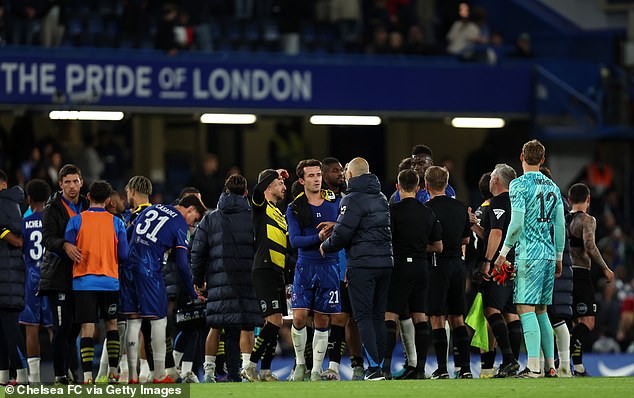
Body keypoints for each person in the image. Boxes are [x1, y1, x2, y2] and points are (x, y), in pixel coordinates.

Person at [494, 139, 566, 378]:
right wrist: (558, 257)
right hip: (547, 255)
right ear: (542, 159)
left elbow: (516, 224)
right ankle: (550, 366)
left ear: (522, 156)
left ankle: (533, 367)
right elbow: (560, 224)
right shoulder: (553, 187)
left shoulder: (518, 185)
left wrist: (503, 253)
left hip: (530, 255)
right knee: (542, 311)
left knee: (525, 308)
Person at [320, 157, 393, 381]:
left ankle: (373, 368)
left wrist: (326, 245)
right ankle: (380, 365)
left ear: (350, 175)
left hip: (362, 265)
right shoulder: (381, 197)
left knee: (363, 317)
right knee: (378, 316)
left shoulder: (351, 200)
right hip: (385, 263)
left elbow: (343, 234)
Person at [122, 195, 206, 383]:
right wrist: (193, 294)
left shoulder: (152, 208)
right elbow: (184, 266)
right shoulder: (179, 224)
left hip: (128, 266)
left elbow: (127, 233)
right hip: (150, 269)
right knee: (159, 321)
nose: (193, 224)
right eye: (195, 219)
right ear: (190, 209)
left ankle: (130, 375)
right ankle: (160, 375)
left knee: (133, 321)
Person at [191, 174, 263, 383]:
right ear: (246, 193)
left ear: (225, 190)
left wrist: (198, 279)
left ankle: (210, 372)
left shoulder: (211, 218)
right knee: (246, 325)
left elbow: (197, 252)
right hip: (248, 279)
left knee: (217, 325)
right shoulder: (253, 216)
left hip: (219, 281)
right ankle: (246, 370)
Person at [64, 181, 129, 384]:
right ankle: (113, 373)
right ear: (109, 200)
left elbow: (68, 248)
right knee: (111, 325)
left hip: (83, 283)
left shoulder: (76, 221)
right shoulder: (117, 223)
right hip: (109, 281)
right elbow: (124, 255)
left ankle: (87, 377)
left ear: (89, 197)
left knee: (87, 327)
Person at [384, 169, 442, 380]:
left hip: (399, 266)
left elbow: (386, 240)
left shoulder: (392, 211)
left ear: (398, 187)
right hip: (421, 267)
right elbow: (438, 246)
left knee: (390, 315)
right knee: (420, 317)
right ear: (418, 189)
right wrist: (418, 249)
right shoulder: (427, 211)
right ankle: (419, 369)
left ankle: (385, 369)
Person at [287, 159, 341, 381]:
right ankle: (300, 364)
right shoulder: (295, 207)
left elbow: (348, 227)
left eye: (318, 174)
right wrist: (317, 238)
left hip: (329, 266)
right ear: (301, 180)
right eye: (311, 175)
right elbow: (294, 240)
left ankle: (316, 371)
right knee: (299, 318)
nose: (317, 179)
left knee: (321, 320)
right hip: (305, 266)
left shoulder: (334, 202)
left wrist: (336, 227)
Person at [39, 164, 89, 385]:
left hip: (83, 275)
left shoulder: (88, 205)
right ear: (60, 184)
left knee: (74, 327)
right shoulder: (52, 208)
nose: (71, 186)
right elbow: (47, 239)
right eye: (67, 182)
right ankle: (61, 374)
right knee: (62, 327)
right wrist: (65, 245)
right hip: (59, 276)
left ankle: (71, 369)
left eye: (75, 181)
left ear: (81, 182)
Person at [424, 166, 472, 379]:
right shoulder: (461, 207)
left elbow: (426, 240)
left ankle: (442, 369)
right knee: (457, 318)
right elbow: (466, 240)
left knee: (437, 317)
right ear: (446, 183)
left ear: (426, 185)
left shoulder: (426, 209)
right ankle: (466, 368)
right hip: (457, 265)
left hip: (437, 264)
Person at [241, 168, 289, 382]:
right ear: (269, 186)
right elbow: (256, 192)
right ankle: (250, 366)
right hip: (264, 268)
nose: (284, 187)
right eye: (280, 183)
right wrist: (272, 174)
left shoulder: (279, 212)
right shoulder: (260, 207)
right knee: (274, 321)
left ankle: (266, 371)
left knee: (276, 323)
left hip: (278, 270)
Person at [321, 157, 364, 380]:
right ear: (323, 174)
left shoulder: (350, 199)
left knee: (351, 319)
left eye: (342, 170)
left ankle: (357, 365)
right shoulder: (318, 200)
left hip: (346, 266)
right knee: (330, 319)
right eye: (335, 170)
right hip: (325, 267)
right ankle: (325, 366)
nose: (340, 174)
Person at [567, 183, 615, 377]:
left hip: (562, 275)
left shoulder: (562, 219)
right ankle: (570, 361)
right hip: (580, 274)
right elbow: (589, 245)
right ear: (588, 199)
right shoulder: (587, 220)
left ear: (569, 200)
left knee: (569, 322)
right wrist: (605, 269)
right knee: (587, 322)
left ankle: (575, 366)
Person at [478, 164, 521, 378]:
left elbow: (496, 233)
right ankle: (511, 362)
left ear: (496, 181)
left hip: (499, 265)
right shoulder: (517, 202)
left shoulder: (497, 202)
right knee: (510, 313)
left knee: (492, 310)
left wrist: (487, 261)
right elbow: (492, 231)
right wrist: (474, 226)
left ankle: (509, 360)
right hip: (516, 262)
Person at [19, 179, 53, 385]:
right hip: (51, 278)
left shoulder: (23, 222)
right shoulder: (54, 220)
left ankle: (35, 379)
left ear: (28, 198)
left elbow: (20, 249)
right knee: (53, 328)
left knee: (31, 327)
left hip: (31, 278)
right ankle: (61, 374)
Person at [541, 166, 574, 378]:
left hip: (551, 263)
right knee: (555, 316)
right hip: (562, 262)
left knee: (547, 314)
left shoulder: (548, 202)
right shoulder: (561, 201)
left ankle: (552, 365)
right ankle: (560, 365)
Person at [0, 169, 28, 385]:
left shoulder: (5, 203)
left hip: (7, 277)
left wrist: (4, 234)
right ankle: (3, 377)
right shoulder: (15, 204)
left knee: (10, 328)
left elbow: (17, 237)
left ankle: (23, 374)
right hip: (8, 274)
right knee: (3, 330)